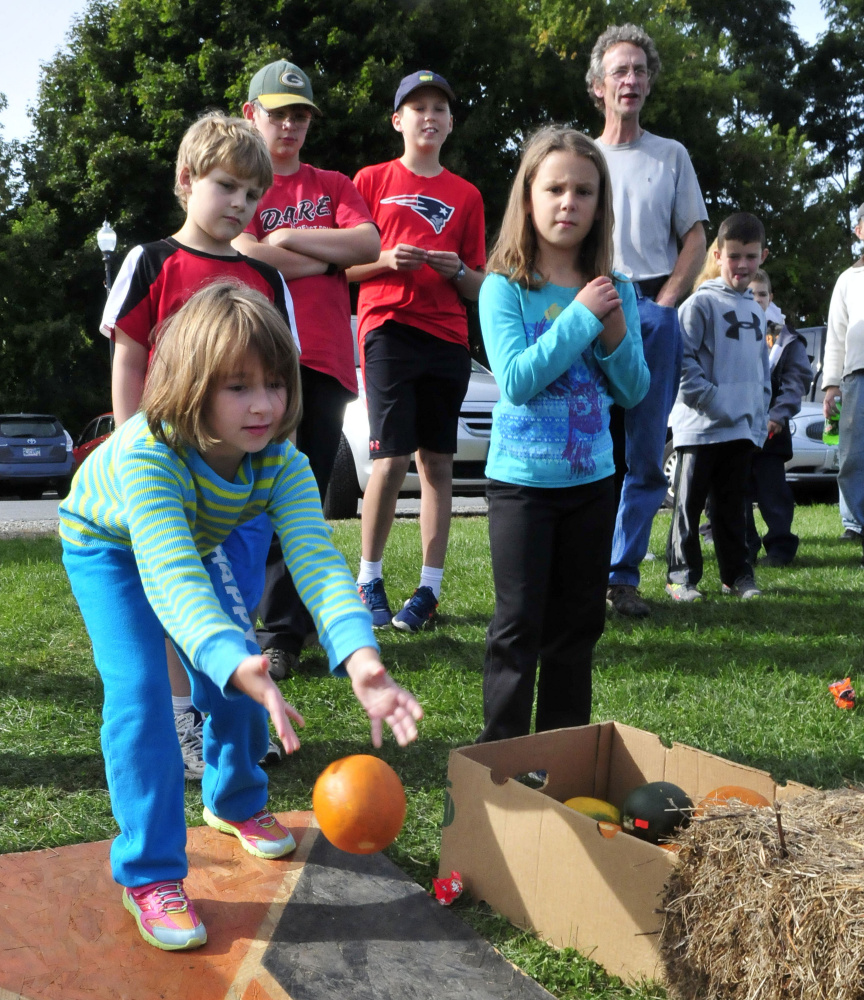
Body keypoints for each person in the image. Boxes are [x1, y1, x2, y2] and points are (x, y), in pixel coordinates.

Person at [60, 282, 423, 951]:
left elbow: (318, 564)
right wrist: (228, 656)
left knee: (241, 673)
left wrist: (363, 659)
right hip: (105, 547)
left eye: (275, 384)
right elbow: (170, 580)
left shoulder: (282, 461)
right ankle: (149, 874)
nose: (263, 405)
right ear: (192, 387)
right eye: (237, 387)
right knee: (143, 696)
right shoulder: (148, 454)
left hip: (195, 537)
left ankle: (233, 800)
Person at [102, 112, 297, 779]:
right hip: (162, 474)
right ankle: (184, 718)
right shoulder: (151, 261)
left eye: (253, 193)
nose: (240, 203)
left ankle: (237, 715)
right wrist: (133, 449)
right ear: (187, 181)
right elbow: (129, 356)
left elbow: (282, 374)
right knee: (170, 596)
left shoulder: (266, 280)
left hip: (236, 479)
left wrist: (272, 457)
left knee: (235, 597)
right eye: (226, 186)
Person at [476, 126, 648, 742]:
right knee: (519, 625)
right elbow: (519, 378)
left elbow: (633, 390)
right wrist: (580, 318)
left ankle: (561, 756)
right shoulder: (503, 286)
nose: (568, 202)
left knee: (577, 628)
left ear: (600, 204)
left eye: (584, 190)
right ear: (528, 198)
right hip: (522, 486)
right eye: (554, 189)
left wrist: (613, 332)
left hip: (593, 484)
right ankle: (498, 761)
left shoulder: (615, 288)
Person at [236, 60, 381, 680]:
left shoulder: (333, 182)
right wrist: (323, 250)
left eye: (300, 115)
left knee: (303, 500)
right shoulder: (242, 182)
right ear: (252, 115)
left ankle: (288, 631)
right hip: (259, 360)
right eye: (278, 113)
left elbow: (369, 245)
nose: (290, 125)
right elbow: (243, 252)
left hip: (324, 361)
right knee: (251, 497)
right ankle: (259, 623)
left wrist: (290, 245)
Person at [346, 71, 486, 632]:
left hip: (448, 336)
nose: (430, 116)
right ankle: (369, 579)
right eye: (418, 107)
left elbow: (480, 287)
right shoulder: (370, 180)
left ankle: (428, 590)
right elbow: (344, 269)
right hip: (387, 330)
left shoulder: (467, 195)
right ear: (398, 120)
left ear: (450, 123)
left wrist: (459, 272)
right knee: (389, 458)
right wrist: (385, 261)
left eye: (440, 109)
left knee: (437, 463)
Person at [586, 24, 708, 618]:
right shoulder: (580, 156)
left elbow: (696, 236)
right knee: (586, 441)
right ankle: (582, 569)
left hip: (654, 306)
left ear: (649, 83)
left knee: (643, 450)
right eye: (619, 71)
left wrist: (666, 304)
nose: (630, 80)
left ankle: (622, 575)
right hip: (593, 304)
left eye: (638, 71)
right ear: (598, 86)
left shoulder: (672, 155)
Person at [665, 212, 771, 602]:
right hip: (699, 428)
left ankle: (737, 576)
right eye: (734, 256)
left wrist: (756, 415)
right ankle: (681, 577)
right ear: (717, 254)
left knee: (733, 508)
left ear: (762, 256)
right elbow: (682, 362)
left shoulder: (757, 312)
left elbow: (761, 373)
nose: (742, 265)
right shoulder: (698, 305)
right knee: (689, 506)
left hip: (739, 429)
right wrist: (712, 401)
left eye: (751, 256)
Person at [745, 268, 812, 567]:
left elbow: (796, 380)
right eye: (749, 294)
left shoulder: (785, 338)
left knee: (774, 493)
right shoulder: (730, 330)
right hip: (737, 428)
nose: (756, 299)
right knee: (735, 492)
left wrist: (779, 414)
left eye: (761, 294)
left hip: (772, 431)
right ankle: (742, 547)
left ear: (770, 297)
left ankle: (780, 547)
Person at [823, 202, 864, 565]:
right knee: (852, 454)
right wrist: (831, 384)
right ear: (859, 231)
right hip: (856, 375)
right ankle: (854, 522)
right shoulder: (847, 279)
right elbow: (835, 335)